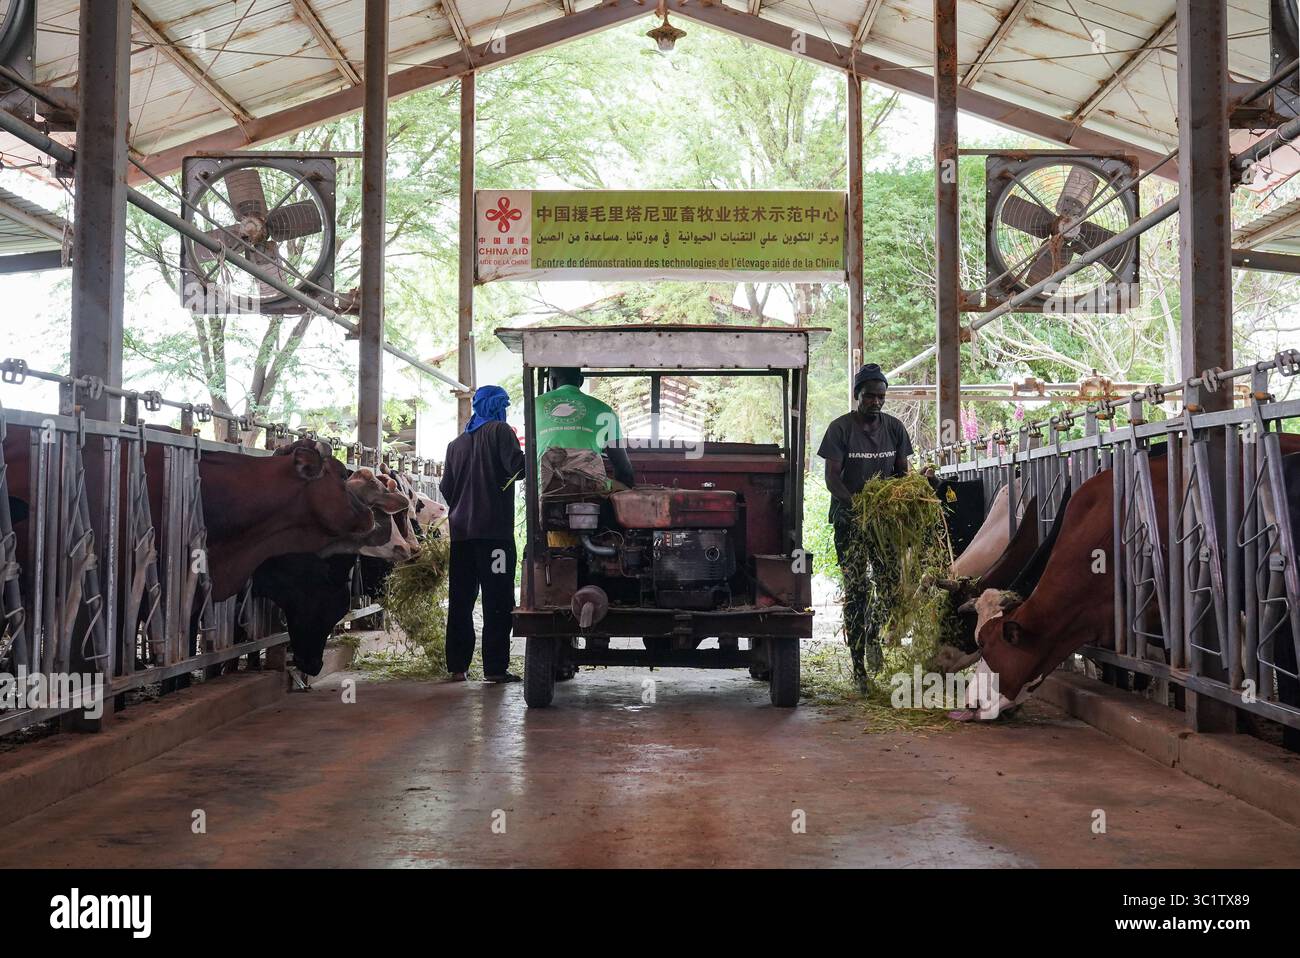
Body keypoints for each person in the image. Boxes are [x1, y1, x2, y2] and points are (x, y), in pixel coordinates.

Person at [817, 363, 914, 687]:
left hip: (884, 522)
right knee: (858, 590)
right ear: (857, 395)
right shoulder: (841, 429)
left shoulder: (895, 429)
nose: (876, 402)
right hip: (850, 520)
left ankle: (874, 634)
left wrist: (909, 494)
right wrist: (857, 506)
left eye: (881, 396)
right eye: (870, 396)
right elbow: (832, 478)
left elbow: (902, 471)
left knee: (891, 588)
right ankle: (859, 667)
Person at [439, 385, 525, 684]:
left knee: (461, 600)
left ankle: (458, 667)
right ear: (497, 406)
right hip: (494, 536)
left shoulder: (456, 444)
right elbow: (518, 469)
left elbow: (445, 489)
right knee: (497, 599)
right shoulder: (501, 431)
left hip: (461, 535)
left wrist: (464, 507)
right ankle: (495, 669)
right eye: (504, 404)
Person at [534, 367, 635, 493]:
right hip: (591, 490)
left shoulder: (534, 405)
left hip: (544, 488)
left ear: (552, 381)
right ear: (580, 381)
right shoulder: (605, 410)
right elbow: (623, 468)